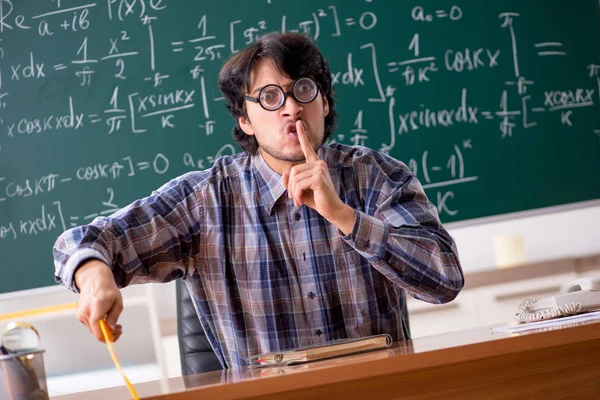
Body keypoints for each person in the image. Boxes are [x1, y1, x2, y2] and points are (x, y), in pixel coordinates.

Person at [53, 32, 464, 369]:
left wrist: (344, 216)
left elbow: (444, 280)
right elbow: (83, 241)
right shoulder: (206, 199)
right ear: (244, 120)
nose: (291, 108)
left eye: (303, 90)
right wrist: (95, 277)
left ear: (323, 101)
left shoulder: (376, 176)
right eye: (269, 97)